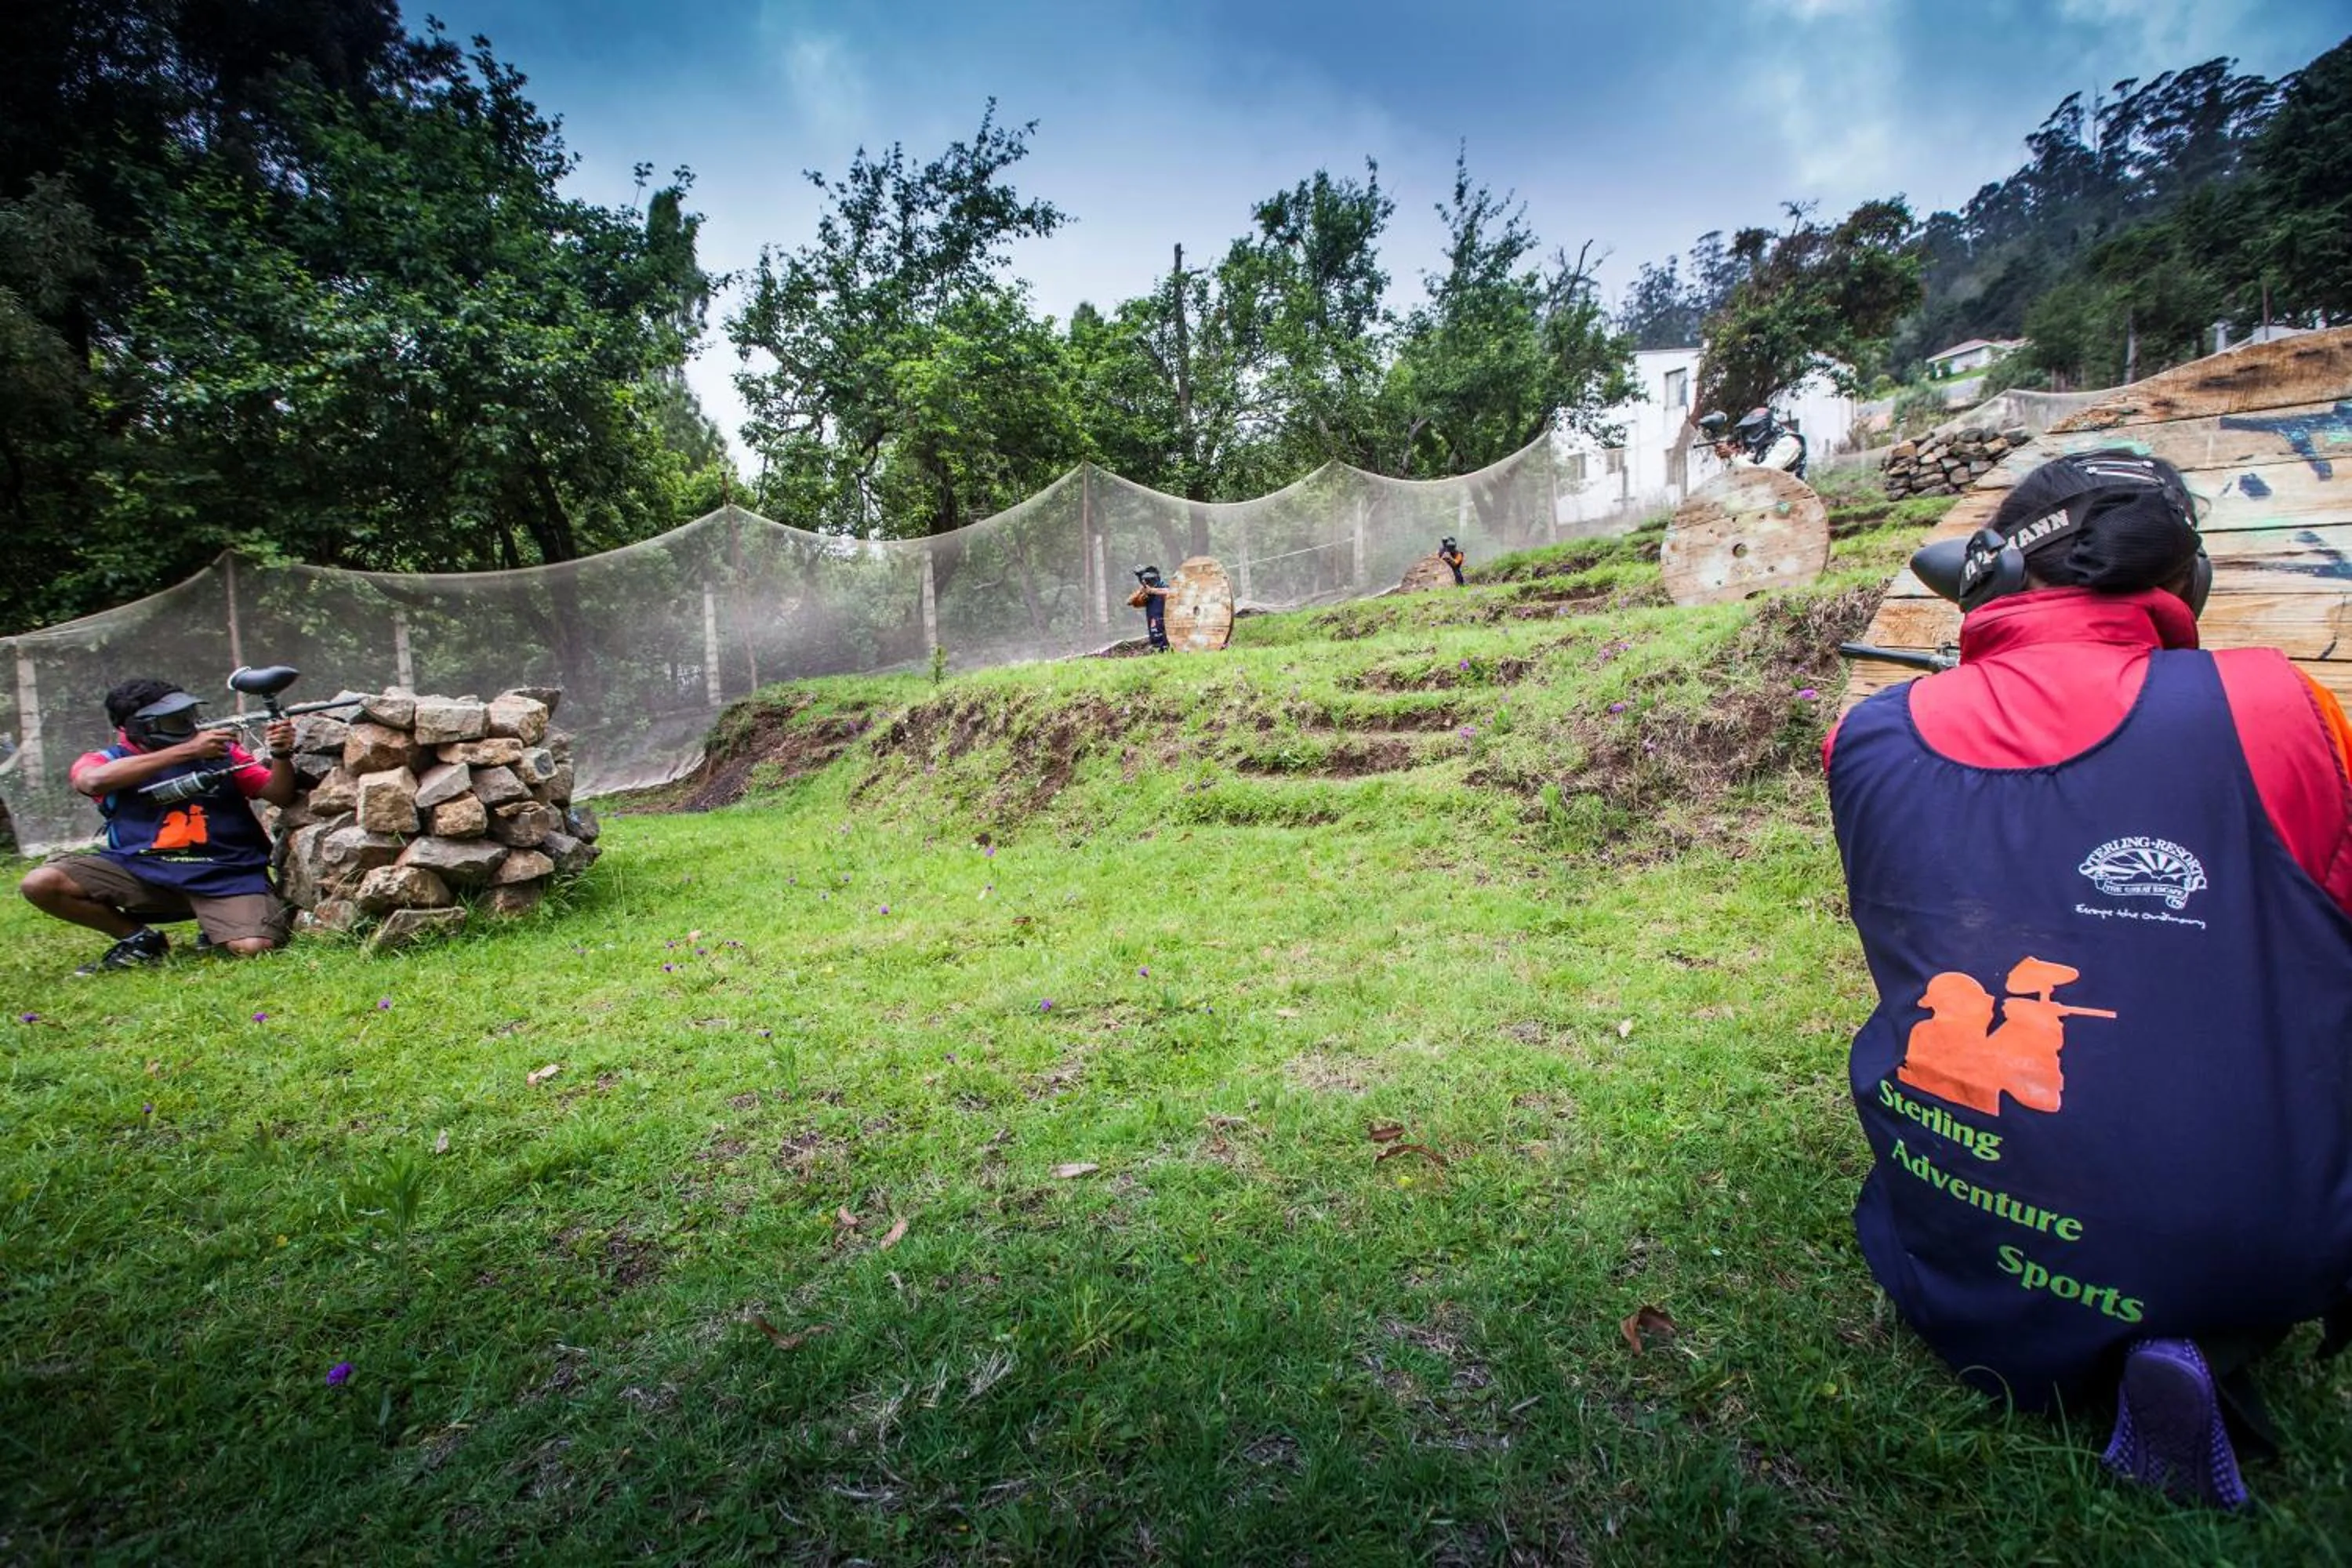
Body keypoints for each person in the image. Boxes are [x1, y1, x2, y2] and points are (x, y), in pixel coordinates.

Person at [1822, 449, 2352, 1509]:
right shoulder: (2278, 703)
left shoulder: (1865, 736)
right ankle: (2199, 1332)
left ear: (1982, 577)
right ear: (2181, 581)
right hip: (2251, 1231)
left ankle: (2094, 1312)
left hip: (1961, 1213)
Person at [19, 678, 299, 972]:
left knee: (253, 947)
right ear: (138, 727)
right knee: (41, 884)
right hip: (143, 872)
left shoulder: (223, 753)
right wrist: (189, 751)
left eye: (188, 716)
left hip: (225, 873)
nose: (189, 725)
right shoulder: (107, 760)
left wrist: (280, 755)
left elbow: (279, 794)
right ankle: (139, 940)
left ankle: (218, 922)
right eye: (175, 720)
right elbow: (92, 781)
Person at [1723, 406, 1806, 477]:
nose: (1751, 433)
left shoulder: (1788, 442)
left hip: (1794, 494)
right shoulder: (1762, 445)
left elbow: (1763, 473)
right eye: (1750, 430)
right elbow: (1744, 467)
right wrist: (1730, 455)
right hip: (1772, 492)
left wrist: (1732, 455)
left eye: (1755, 428)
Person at [1131, 565, 1171, 652]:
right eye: (1147, 580)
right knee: (1156, 640)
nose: (1149, 582)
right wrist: (1143, 588)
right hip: (1153, 621)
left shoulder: (1163, 586)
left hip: (1165, 623)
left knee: (1164, 641)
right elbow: (1131, 602)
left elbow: (1171, 592)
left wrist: (1153, 591)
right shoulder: (1146, 592)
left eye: (1151, 580)